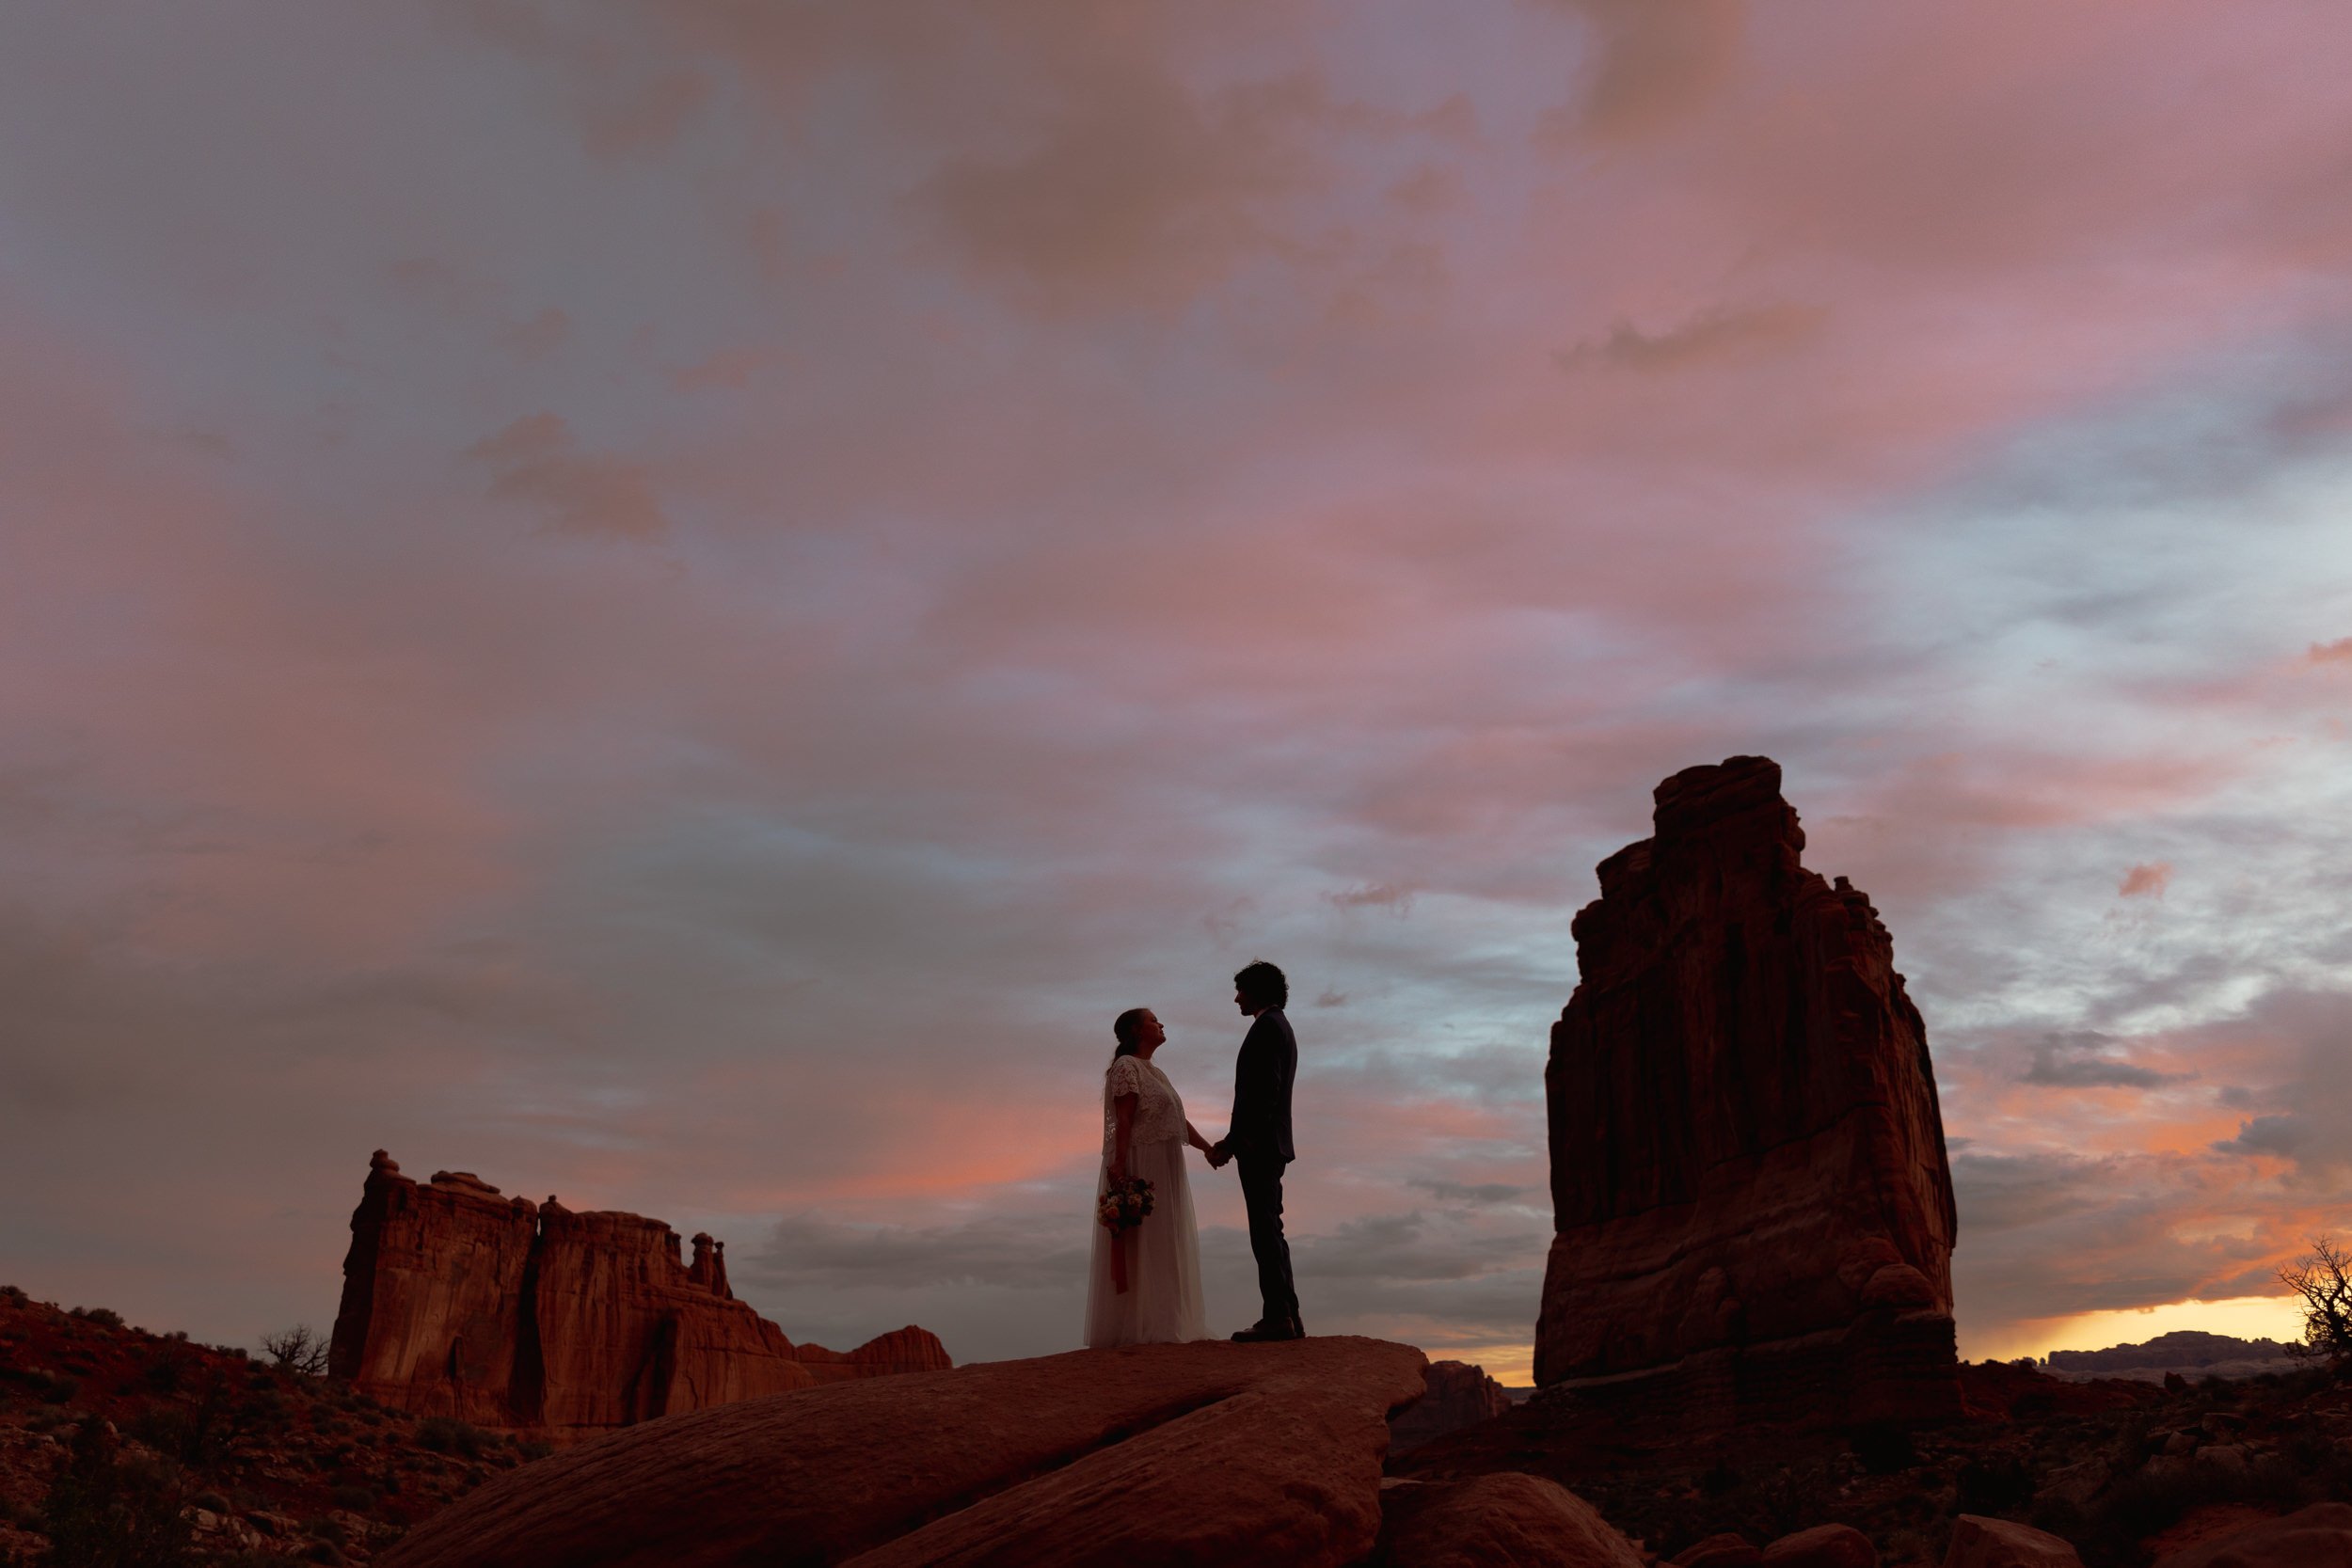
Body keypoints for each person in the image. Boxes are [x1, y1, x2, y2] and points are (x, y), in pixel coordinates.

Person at [1085, 1007, 1218, 1347]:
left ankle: (1167, 1319)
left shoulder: (1157, 1073)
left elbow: (1179, 1120)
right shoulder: (1125, 1067)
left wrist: (1207, 1149)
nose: (1161, 1024)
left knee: (1167, 1235)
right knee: (1149, 1237)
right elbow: (1124, 1119)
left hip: (1167, 1161)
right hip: (1143, 1161)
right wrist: (1120, 1164)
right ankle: (1144, 1326)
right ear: (1136, 1030)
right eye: (1153, 1020)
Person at [1212, 959, 1302, 1341]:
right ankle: (1288, 1318)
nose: (1236, 998)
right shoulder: (1279, 1026)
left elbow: (1261, 1096)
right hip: (1270, 1144)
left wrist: (1231, 1144)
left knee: (1264, 1232)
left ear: (1257, 991)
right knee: (1271, 1230)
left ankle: (1278, 1318)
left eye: (1241, 990)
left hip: (1260, 1146)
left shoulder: (1267, 1028)